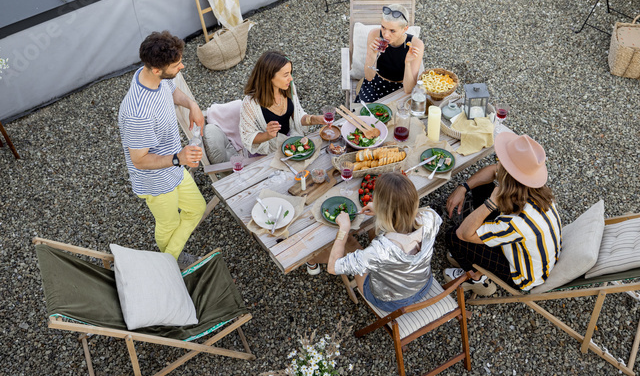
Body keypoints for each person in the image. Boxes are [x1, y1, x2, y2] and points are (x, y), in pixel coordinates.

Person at [118, 31, 206, 264]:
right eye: (177, 65)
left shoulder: (150, 75)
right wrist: (179, 158)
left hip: (174, 168)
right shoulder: (138, 113)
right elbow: (139, 160)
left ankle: (170, 257)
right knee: (169, 223)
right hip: (155, 180)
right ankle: (168, 264)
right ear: (157, 69)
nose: (183, 67)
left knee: (197, 208)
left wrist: (192, 104)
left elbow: (172, 91)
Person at [442, 132, 561, 294]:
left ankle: (477, 280)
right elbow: (493, 171)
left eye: (501, 162)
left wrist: (491, 204)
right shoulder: (537, 191)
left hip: (521, 275)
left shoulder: (518, 222)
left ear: (509, 177)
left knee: (453, 237)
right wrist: (464, 187)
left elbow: (463, 233)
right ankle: (475, 257)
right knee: (482, 188)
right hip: (527, 249)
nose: (498, 164)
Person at [327, 172, 442, 312]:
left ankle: (314, 261)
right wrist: (383, 211)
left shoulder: (380, 251)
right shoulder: (431, 217)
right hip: (423, 284)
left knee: (351, 245)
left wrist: (344, 229)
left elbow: (333, 267)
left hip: (391, 302)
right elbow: (407, 217)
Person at [239, 51, 325, 155]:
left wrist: (314, 119)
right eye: (286, 75)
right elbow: (247, 137)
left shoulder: (289, 87)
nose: (291, 78)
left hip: (290, 143)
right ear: (269, 76)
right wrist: (268, 135)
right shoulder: (250, 103)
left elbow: (297, 117)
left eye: (290, 73)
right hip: (266, 153)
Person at [357, 3, 424, 102]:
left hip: (400, 88)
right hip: (376, 83)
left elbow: (408, 89)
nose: (386, 35)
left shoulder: (415, 45)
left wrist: (408, 63)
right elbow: (369, 77)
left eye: (392, 31)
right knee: (364, 114)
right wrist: (373, 54)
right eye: (383, 27)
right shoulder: (375, 35)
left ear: (404, 29)